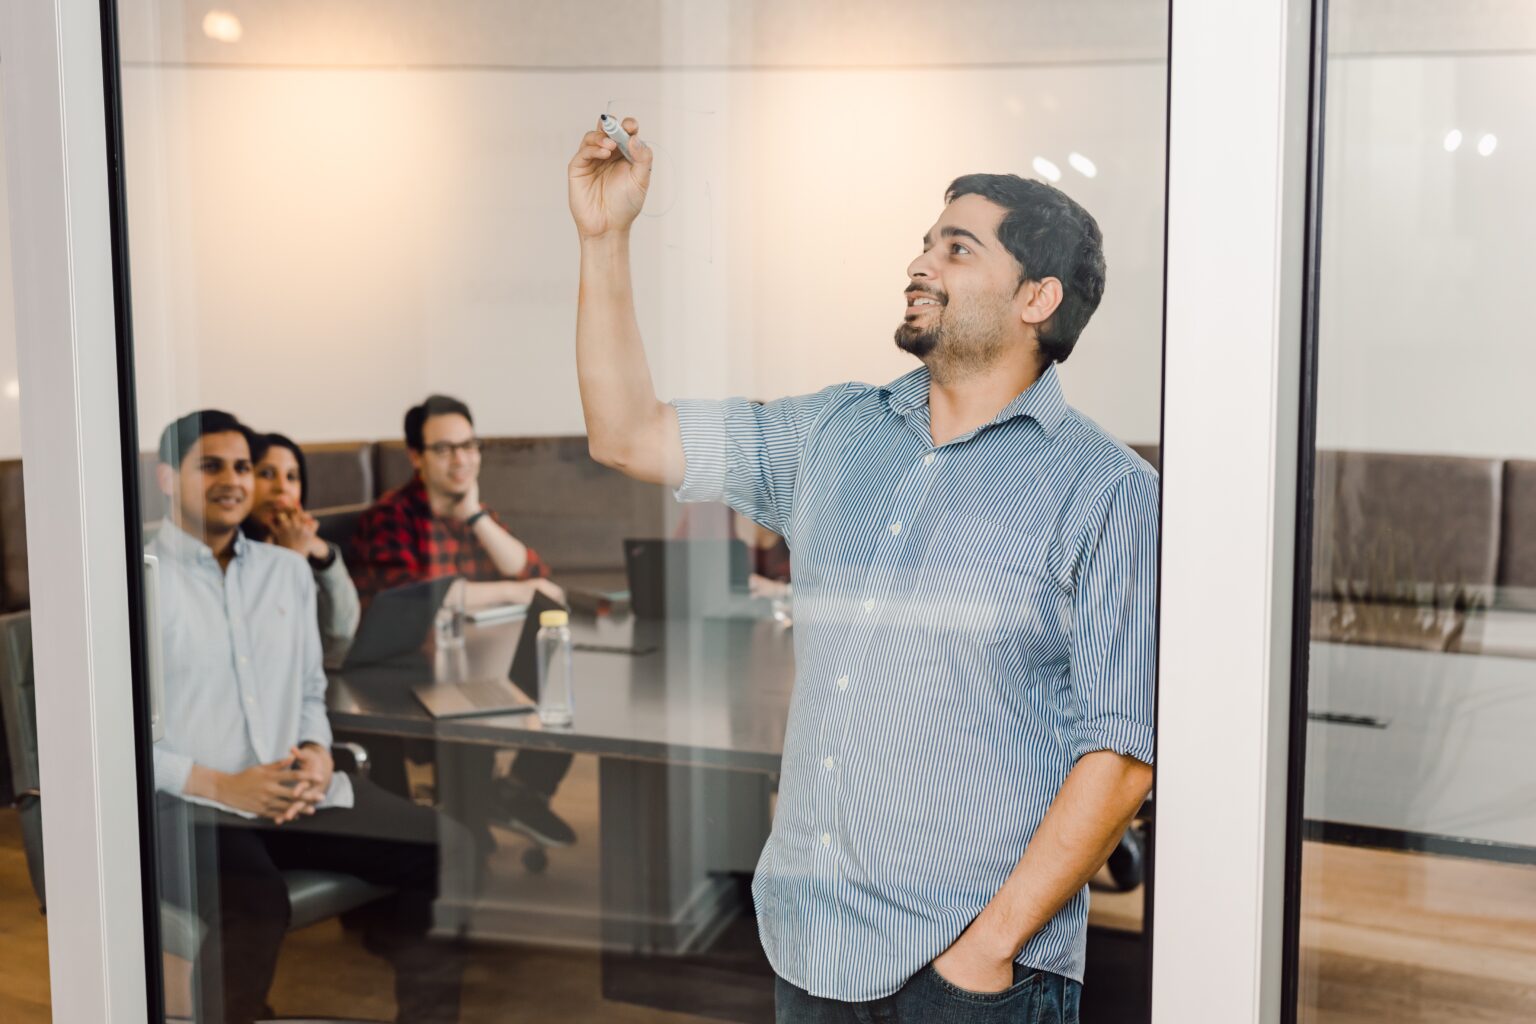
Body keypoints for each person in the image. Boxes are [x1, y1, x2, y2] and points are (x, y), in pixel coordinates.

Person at [568, 118, 1158, 1022]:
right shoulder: (833, 432)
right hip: (811, 947)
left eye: (957, 249)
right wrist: (604, 240)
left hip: (973, 979)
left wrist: (988, 951)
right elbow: (627, 433)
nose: (920, 263)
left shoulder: (1107, 489)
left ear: (1037, 298)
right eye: (926, 243)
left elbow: (1119, 755)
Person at [149, 409, 475, 1024]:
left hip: (293, 788)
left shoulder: (287, 571)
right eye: (210, 465)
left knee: (446, 845)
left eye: (243, 466)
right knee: (254, 903)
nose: (234, 480)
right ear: (168, 478)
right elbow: (113, 737)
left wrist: (318, 753)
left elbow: (307, 689)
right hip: (191, 803)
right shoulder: (138, 582)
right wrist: (221, 784)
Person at [349, 395, 576, 848]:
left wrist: (476, 517)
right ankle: (469, 832)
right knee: (482, 714)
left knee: (563, 688)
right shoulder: (391, 517)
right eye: (446, 449)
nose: (462, 459)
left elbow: (533, 573)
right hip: (415, 678)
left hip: (482, 666)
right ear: (416, 456)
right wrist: (515, 592)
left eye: (470, 446)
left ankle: (518, 792)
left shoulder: (474, 513)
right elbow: (421, 595)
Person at [244, 432, 361, 667]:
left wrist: (323, 555)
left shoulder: (299, 543)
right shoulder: (232, 553)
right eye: (266, 474)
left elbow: (339, 639)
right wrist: (292, 557)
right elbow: (270, 651)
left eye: (292, 477)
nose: (282, 488)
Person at [675, 502, 791, 600]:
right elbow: (676, 578)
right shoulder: (705, 510)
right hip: (715, 619)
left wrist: (780, 591)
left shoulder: (801, 516)